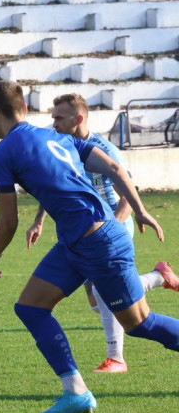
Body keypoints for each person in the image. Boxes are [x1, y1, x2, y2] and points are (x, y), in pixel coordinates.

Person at [0, 80, 179, 413]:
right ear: (25, 109)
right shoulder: (61, 138)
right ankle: (75, 392)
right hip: (76, 242)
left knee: (140, 324)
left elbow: (8, 220)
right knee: (30, 307)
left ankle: (76, 391)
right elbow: (116, 169)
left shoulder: (2, 153)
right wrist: (141, 209)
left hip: (98, 243)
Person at [26, 93, 179, 373]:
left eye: (59, 117)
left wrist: (112, 230)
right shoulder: (62, 146)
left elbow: (125, 194)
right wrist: (39, 220)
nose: (54, 123)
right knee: (99, 302)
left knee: (105, 293)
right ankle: (159, 277)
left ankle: (116, 358)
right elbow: (57, 187)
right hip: (83, 232)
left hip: (109, 229)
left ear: (78, 118)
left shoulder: (102, 148)